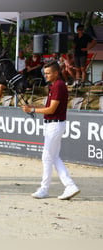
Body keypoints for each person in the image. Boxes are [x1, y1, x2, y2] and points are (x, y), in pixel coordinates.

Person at [21, 61, 80, 200]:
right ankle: (70, 186)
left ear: (56, 73)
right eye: (45, 73)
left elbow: (51, 109)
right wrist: (33, 105)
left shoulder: (59, 86)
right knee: (54, 157)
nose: (45, 75)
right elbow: (48, 105)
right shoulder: (54, 85)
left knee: (47, 157)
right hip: (52, 125)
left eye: (48, 73)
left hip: (54, 125)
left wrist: (33, 109)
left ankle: (44, 188)